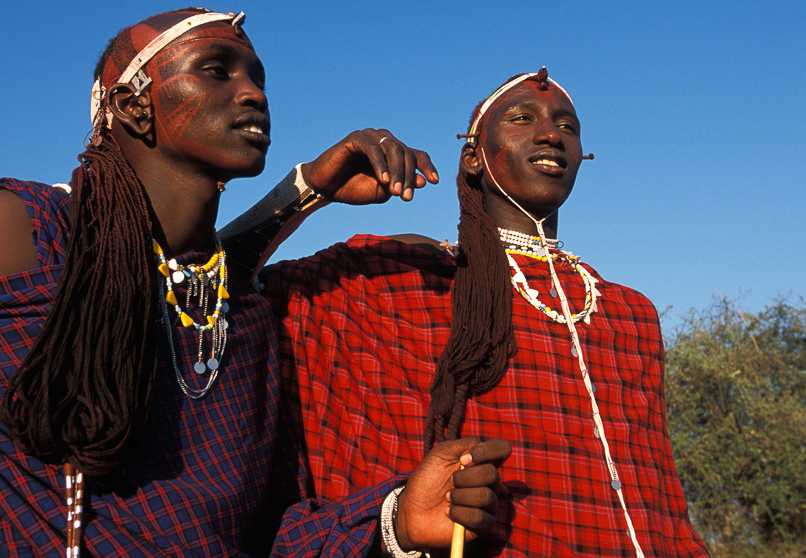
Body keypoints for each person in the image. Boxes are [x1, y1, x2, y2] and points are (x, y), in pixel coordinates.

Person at [0, 8, 509, 557]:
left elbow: (267, 534)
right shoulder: (28, 225)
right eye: (215, 70)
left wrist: (397, 518)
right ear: (133, 106)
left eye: (257, 76)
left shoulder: (241, 317)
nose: (253, 94)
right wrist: (306, 189)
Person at [251, 68, 710, 557]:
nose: (551, 134)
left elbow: (661, 497)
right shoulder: (398, 278)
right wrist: (307, 188)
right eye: (521, 118)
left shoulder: (629, 315)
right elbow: (213, 288)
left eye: (568, 127)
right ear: (473, 157)